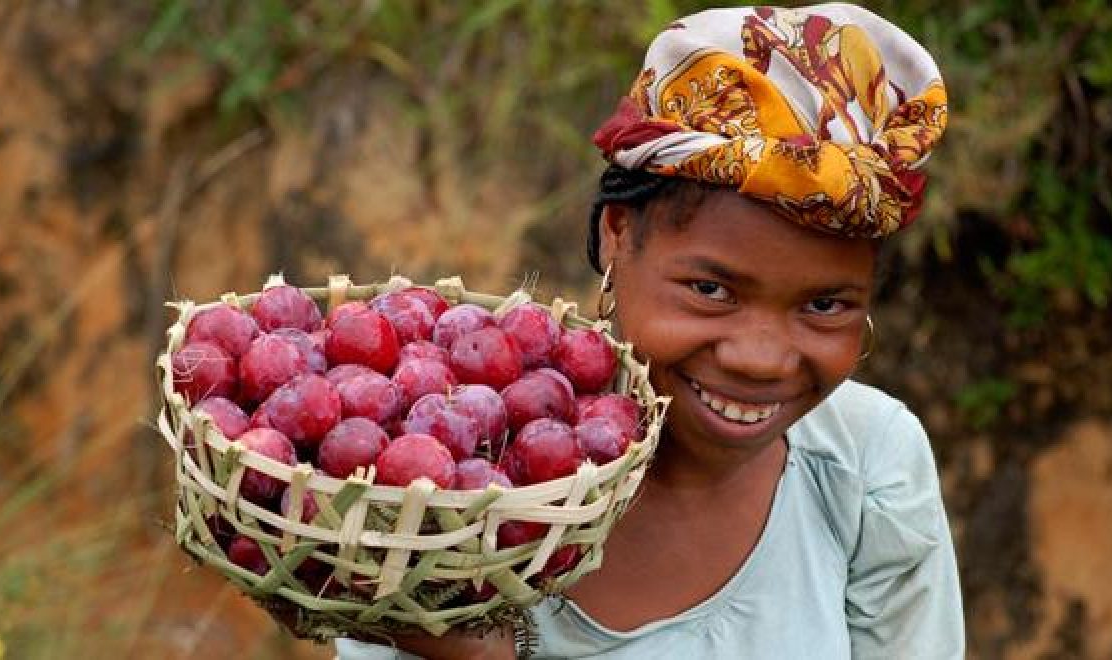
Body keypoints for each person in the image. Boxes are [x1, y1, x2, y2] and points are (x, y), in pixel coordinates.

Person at [336, 4, 963, 658]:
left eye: (826, 305)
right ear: (617, 233)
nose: (760, 358)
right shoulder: (459, 480)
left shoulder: (868, 465)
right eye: (711, 290)